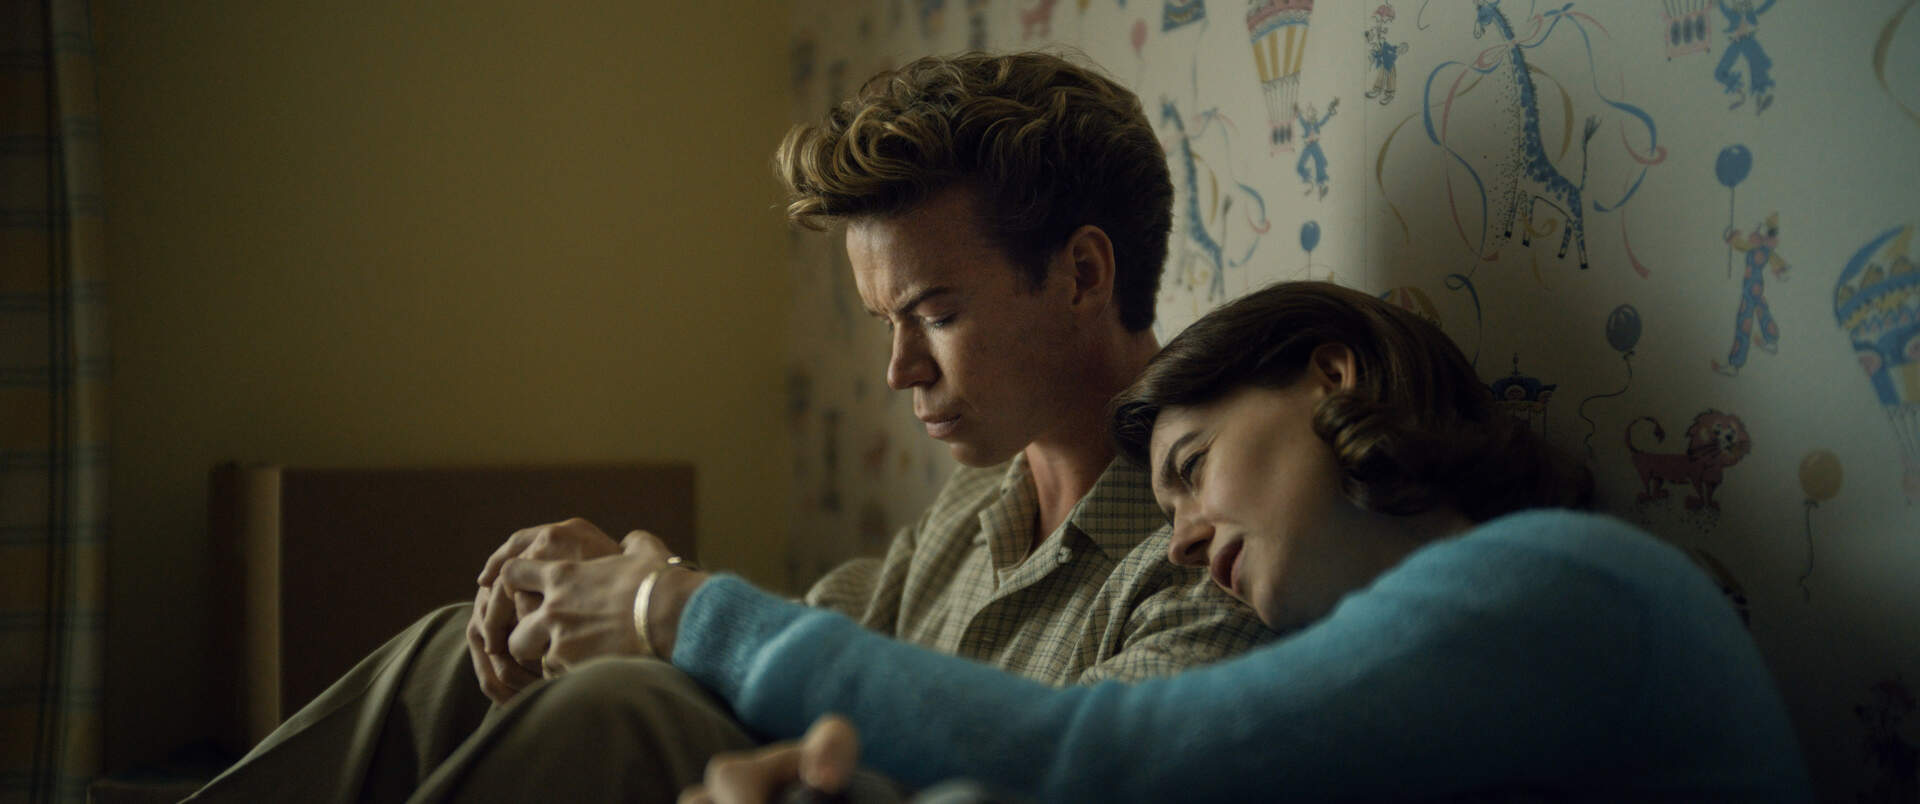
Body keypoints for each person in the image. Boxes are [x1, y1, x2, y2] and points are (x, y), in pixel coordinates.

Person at [186, 52, 1270, 803]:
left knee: (621, 712)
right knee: (466, 648)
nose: (899, 371)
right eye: (887, 324)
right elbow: (804, 636)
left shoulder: (1218, 550)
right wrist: (619, 586)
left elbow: (1082, 764)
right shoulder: (975, 506)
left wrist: (660, 607)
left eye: (936, 316)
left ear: (1082, 274)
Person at [661, 281, 1813, 802]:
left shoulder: (1558, 579)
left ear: (1333, 376)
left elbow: (1096, 758)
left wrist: (681, 609)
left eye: (1191, 469)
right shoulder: (1397, 669)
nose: (1178, 544)